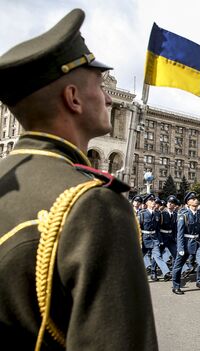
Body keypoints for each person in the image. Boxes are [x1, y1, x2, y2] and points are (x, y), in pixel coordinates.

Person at [0, 9, 157, 350]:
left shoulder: (6, 183)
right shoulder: (91, 205)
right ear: (73, 99)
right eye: (101, 87)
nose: (110, 99)